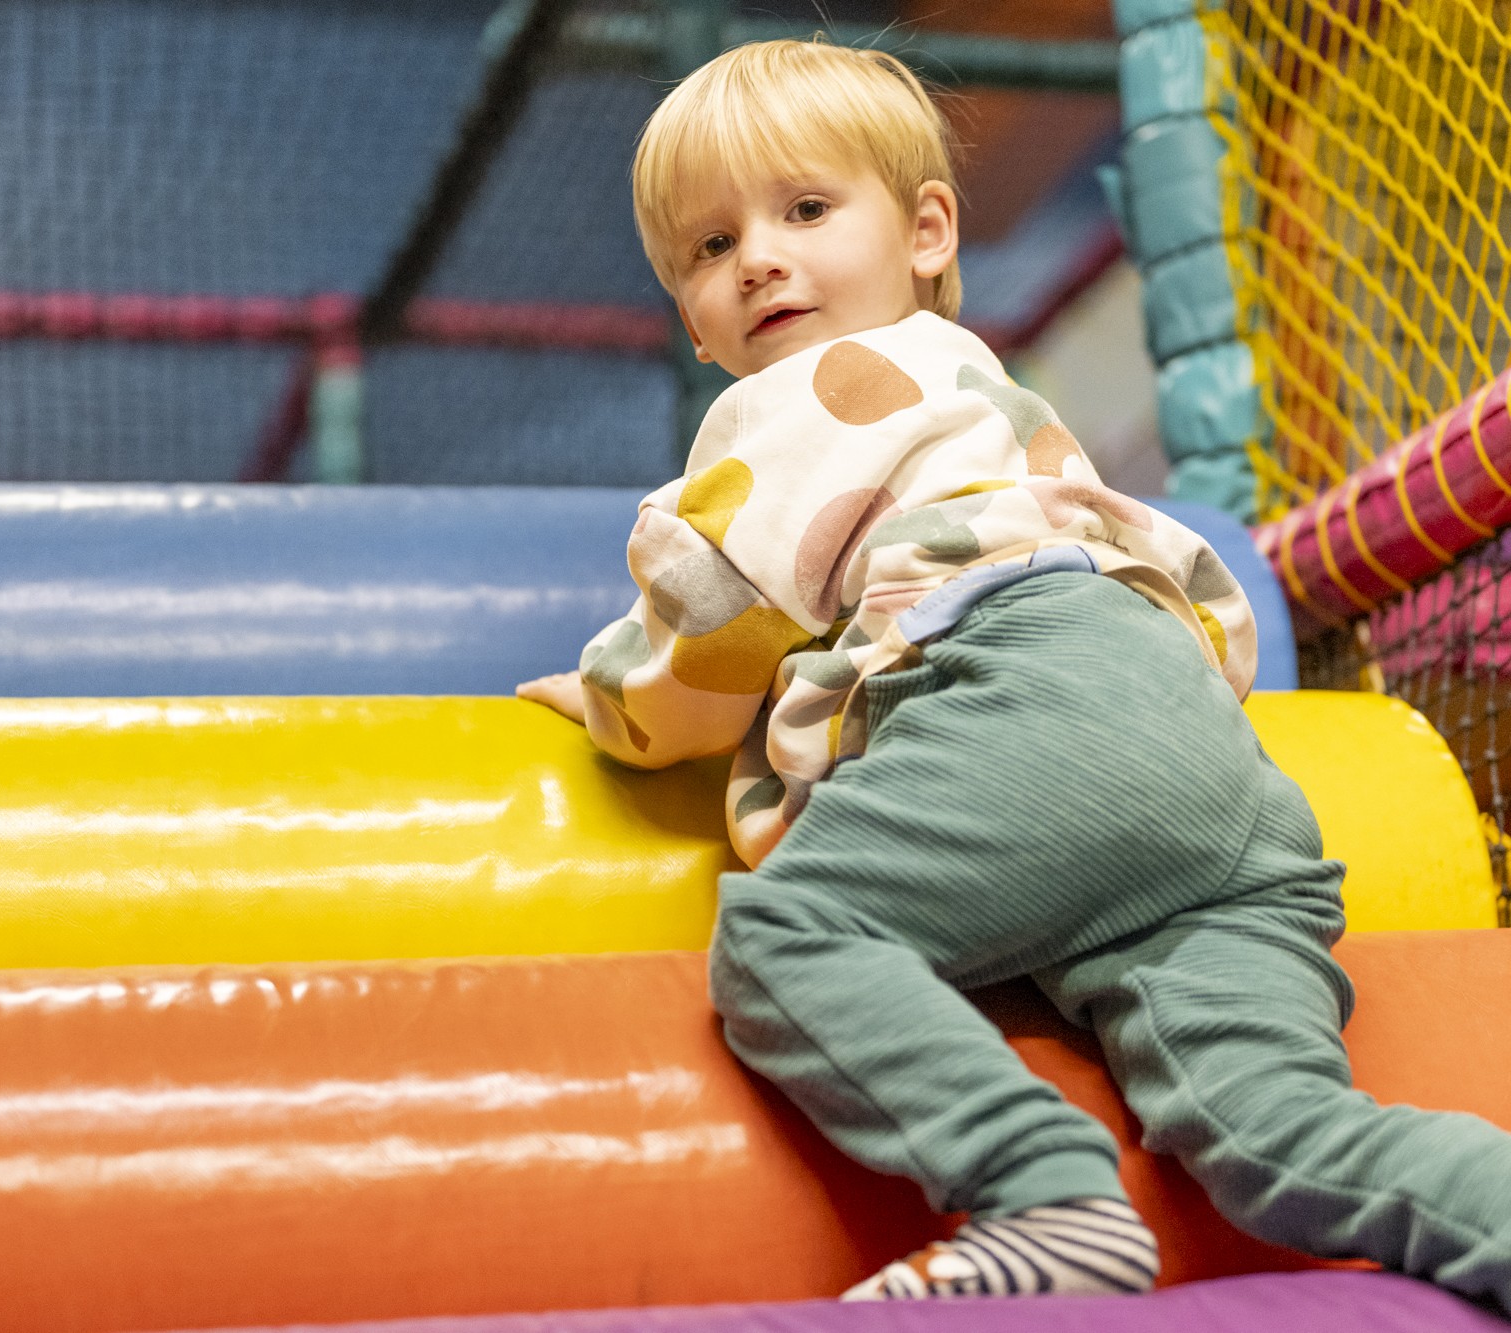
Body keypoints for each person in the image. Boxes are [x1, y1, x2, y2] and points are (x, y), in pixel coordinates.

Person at [518, 37, 1511, 1311]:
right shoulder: (990, 400)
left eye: (805, 209)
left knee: (788, 933)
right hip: (1212, 777)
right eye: (708, 250)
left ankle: (1044, 1191)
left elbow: (712, 610)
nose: (757, 256)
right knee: (1276, 1126)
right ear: (691, 319)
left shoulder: (807, 393)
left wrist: (610, 706)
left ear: (927, 228)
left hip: (1029, 695)